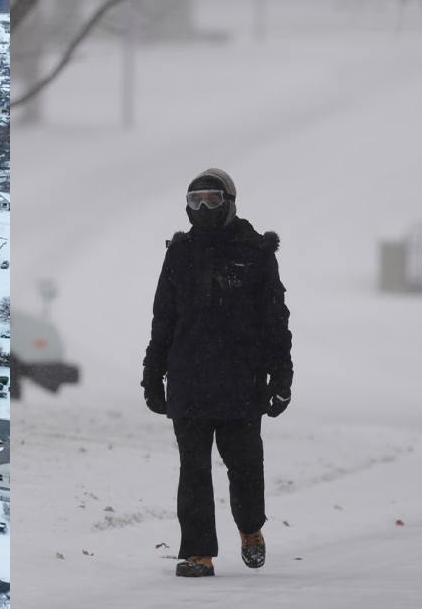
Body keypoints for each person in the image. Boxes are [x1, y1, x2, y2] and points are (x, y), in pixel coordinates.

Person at [142, 168, 293, 578]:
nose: (203, 207)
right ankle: (197, 553)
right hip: (188, 380)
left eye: (211, 198)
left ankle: (250, 529)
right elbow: (163, 320)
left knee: (244, 466)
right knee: (193, 470)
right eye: (195, 201)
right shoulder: (179, 252)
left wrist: (281, 377)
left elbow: (274, 320)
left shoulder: (256, 252)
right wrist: (152, 374)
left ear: (229, 201)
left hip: (241, 382)